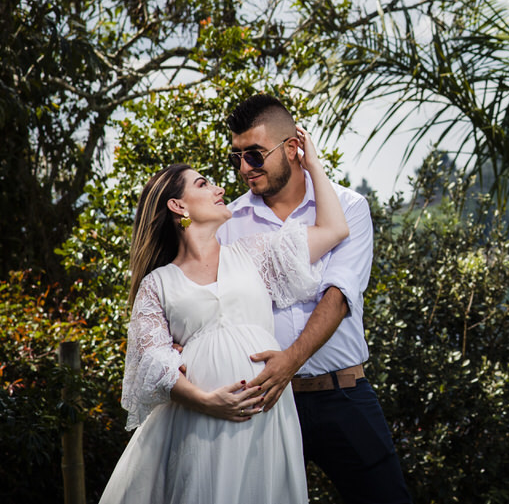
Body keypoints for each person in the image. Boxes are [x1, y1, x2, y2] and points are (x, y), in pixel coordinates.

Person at [100, 127, 348, 504]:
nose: (219, 188)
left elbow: (334, 229)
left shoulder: (255, 254)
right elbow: (154, 362)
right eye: (203, 184)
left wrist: (312, 164)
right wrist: (205, 400)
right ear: (178, 206)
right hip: (201, 420)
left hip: (266, 415)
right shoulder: (157, 284)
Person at [218, 94, 412, 504]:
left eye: (254, 155)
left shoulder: (349, 208)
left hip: (343, 395)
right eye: (235, 157)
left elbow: (339, 297)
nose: (243, 169)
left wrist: (289, 360)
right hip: (265, 402)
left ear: (292, 148)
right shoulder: (228, 224)